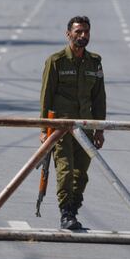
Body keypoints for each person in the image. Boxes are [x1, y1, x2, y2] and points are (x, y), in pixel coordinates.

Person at [40, 15, 106, 230]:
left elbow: (99, 98)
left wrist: (99, 129)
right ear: (68, 34)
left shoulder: (94, 62)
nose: (83, 35)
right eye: (78, 32)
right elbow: (46, 97)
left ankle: (73, 208)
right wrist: (44, 129)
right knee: (65, 170)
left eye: (86, 31)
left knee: (81, 174)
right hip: (61, 128)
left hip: (85, 127)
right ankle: (65, 212)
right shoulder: (56, 61)